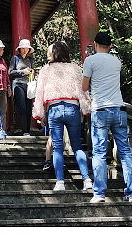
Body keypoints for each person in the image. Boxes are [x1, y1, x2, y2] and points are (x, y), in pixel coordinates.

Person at [82, 31, 132, 203]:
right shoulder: (117, 61)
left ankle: (99, 193)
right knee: (125, 151)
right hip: (119, 109)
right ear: (111, 46)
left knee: (99, 152)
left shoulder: (90, 60)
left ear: (95, 44)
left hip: (100, 110)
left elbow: (84, 87)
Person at [32, 41, 93, 193]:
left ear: (54, 53)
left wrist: (39, 113)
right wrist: (86, 107)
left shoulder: (46, 70)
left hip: (54, 109)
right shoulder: (75, 68)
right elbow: (82, 90)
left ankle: (60, 182)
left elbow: (40, 92)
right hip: (72, 108)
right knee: (77, 146)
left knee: (57, 148)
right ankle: (87, 180)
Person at [9, 39, 35, 136]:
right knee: (22, 107)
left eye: (26, 48)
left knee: (28, 108)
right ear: (19, 49)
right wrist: (22, 72)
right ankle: (23, 130)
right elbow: (10, 72)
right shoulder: (15, 58)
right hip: (18, 84)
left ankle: (27, 130)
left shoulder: (30, 60)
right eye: (23, 48)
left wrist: (32, 72)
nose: (25, 50)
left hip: (28, 85)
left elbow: (32, 71)